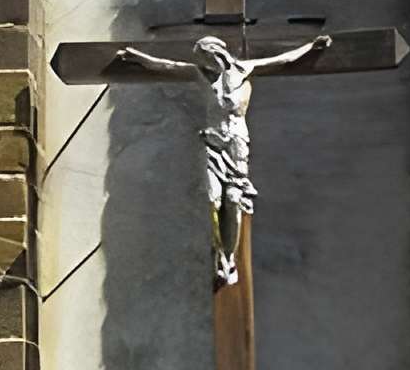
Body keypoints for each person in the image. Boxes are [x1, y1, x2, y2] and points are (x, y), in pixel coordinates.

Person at [111, 30, 331, 286]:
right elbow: (166, 66)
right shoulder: (199, 74)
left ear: (217, 53)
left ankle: (229, 257)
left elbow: (282, 60)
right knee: (210, 198)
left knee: (234, 200)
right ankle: (219, 256)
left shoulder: (244, 69)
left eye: (204, 56)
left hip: (236, 146)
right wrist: (136, 57)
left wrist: (311, 47)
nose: (203, 62)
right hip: (213, 145)